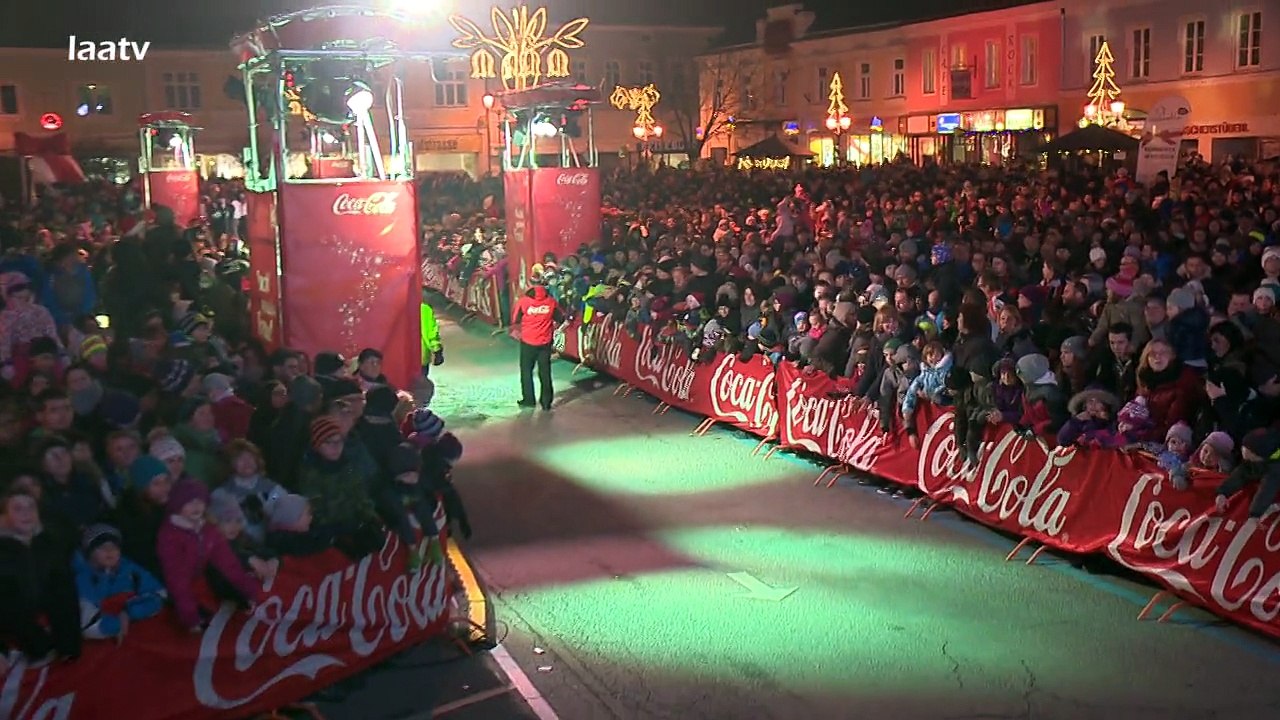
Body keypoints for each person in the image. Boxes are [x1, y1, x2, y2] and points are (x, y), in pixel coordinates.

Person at [511, 269, 564, 411]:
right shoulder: (551, 302)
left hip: (528, 341)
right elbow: (561, 318)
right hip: (545, 342)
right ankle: (546, 402)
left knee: (526, 371)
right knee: (545, 372)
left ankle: (529, 399)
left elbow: (514, 318)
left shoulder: (523, 301)